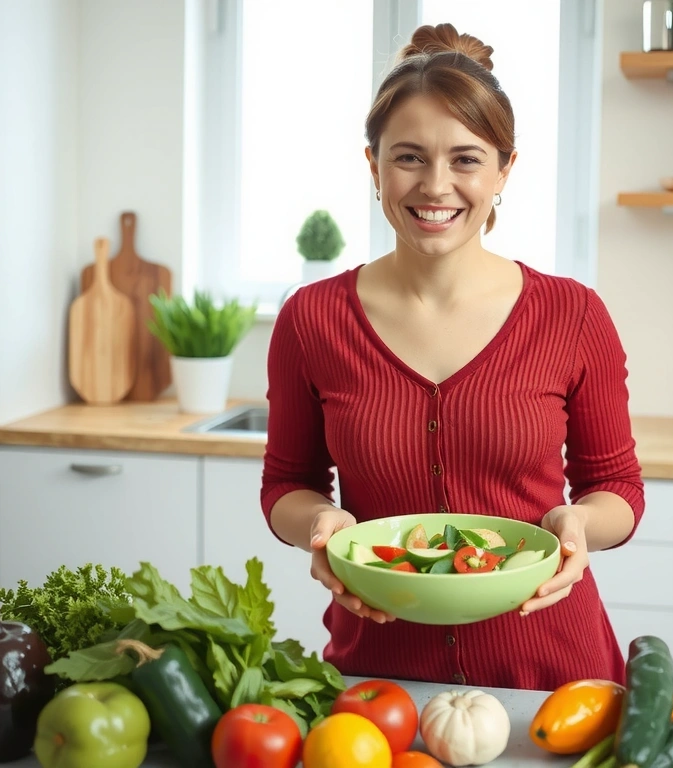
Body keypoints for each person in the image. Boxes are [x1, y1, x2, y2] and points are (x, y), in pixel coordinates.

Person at [261, 22, 644, 691]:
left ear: (504, 169)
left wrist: (577, 523)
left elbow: (618, 488)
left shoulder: (573, 314)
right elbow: (286, 484)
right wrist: (321, 527)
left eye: (466, 159)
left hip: (553, 675)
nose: (435, 186)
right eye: (408, 157)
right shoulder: (311, 319)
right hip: (379, 677)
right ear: (373, 163)